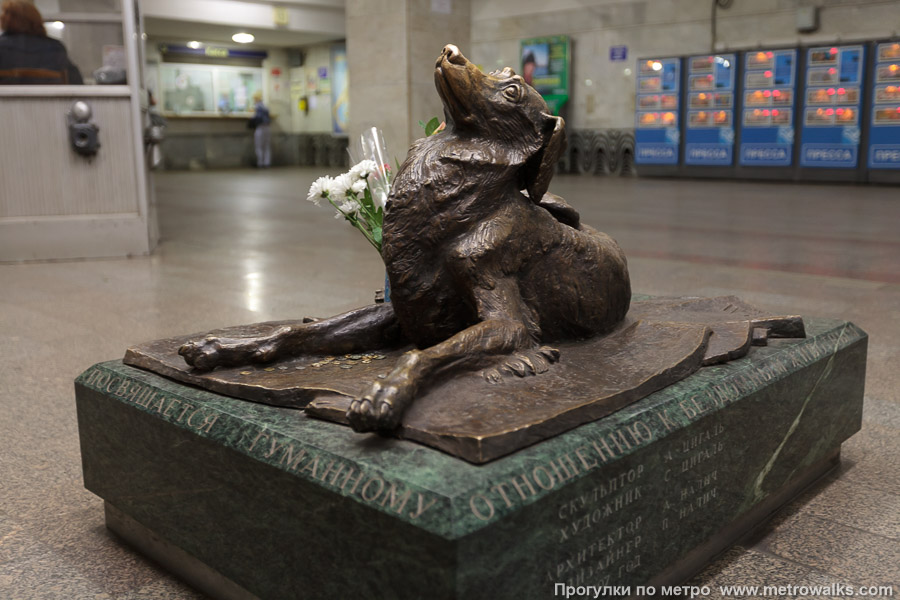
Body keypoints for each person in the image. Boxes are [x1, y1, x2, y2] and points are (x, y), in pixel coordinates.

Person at [0, 0, 83, 84]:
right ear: (36, 20)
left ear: (5, 21)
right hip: (50, 96)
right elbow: (76, 83)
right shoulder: (55, 48)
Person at [251, 90, 271, 168]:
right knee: (266, 146)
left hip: (260, 128)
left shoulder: (257, 106)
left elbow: (257, 117)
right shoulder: (265, 106)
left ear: (256, 99)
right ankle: (267, 163)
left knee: (258, 146)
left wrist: (252, 118)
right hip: (267, 127)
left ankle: (260, 163)